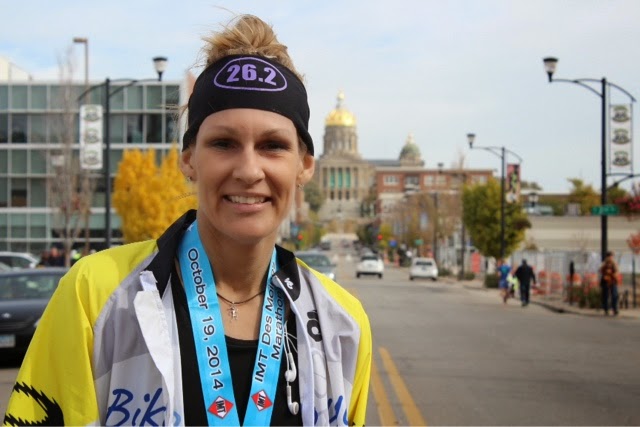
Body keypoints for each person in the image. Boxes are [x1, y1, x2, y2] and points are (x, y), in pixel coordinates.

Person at [4, 15, 372, 426]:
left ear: (304, 166)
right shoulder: (94, 296)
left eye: (273, 145)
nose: (249, 171)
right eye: (223, 143)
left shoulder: (343, 323)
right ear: (188, 159)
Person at [599, 250, 620, 316]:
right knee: (605, 295)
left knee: (614, 295)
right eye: (610, 256)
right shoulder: (604, 263)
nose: (611, 258)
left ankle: (615, 309)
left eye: (611, 256)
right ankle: (606, 309)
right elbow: (600, 270)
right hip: (606, 281)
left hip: (613, 281)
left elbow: (617, 271)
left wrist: (614, 274)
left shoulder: (614, 263)